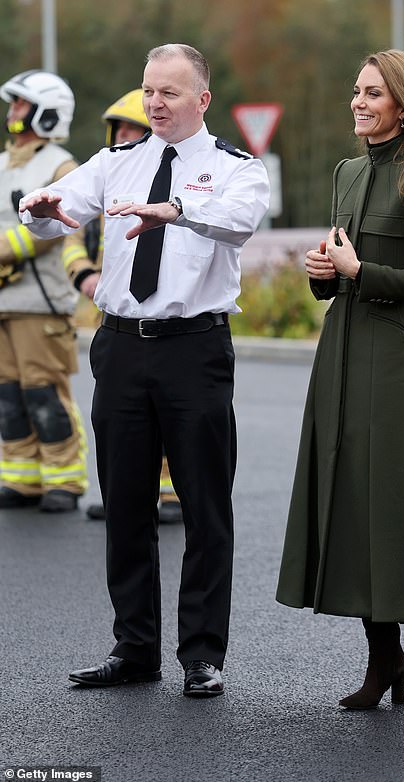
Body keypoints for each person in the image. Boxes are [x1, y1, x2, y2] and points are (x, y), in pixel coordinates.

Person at [20, 44, 270, 696]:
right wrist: (41, 211)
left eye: (170, 92)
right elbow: (53, 213)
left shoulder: (233, 167)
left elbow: (241, 222)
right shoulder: (116, 162)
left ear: (202, 100)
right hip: (123, 349)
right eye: (149, 90)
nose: (155, 103)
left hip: (194, 350)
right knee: (125, 504)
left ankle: (201, 656)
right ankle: (134, 650)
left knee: (204, 508)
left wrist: (178, 211)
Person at [276, 50, 404, 714]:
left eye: (372, 94)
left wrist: (361, 274)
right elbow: (338, 271)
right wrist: (323, 274)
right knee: (350, 499)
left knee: (397, 504)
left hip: (390, 359)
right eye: (355, 92)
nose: (358, 103)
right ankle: (384, 658)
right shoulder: (348, 172)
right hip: (340, 350)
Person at [63, 88, 183, 524]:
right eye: (122, 130)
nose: (127, 137)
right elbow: (73, 240)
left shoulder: (176, 180)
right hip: (113, 313)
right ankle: (129, 497)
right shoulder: (104, 180)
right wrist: (85, 277)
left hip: (164, 318)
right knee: (121, 419)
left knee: (168, 414)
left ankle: (173, 495)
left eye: (136, 129)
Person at [0, 69, 88, 513]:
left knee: (44, 391)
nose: (12, 113)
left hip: (41, 303)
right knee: (8, 395)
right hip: (4, 304)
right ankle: (21, 476)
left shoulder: (60, 165)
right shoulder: (3, 162)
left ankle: (64, 478)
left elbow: (49, 227)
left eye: (20, 104)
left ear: (46, 114)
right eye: (12, 104)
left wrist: (2, 248)